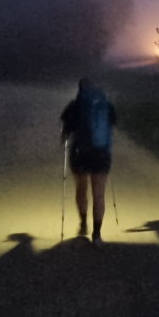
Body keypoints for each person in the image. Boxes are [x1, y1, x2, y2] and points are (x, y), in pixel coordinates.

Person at [60, 78, 117, 247]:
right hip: (101, 154)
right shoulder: (107, 106)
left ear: (79, 90)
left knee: (81, 188)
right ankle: (97, 235)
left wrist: (66, 139)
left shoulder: (74, 106)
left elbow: (65, 135)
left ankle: (83, 224)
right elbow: (111, 128)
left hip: (80, 154)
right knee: (99, 194)